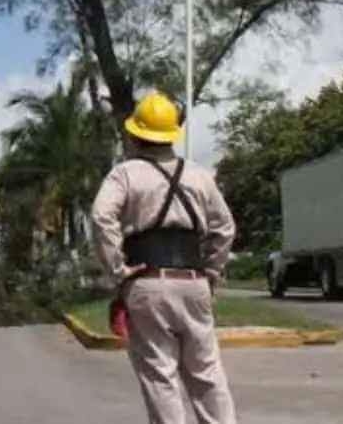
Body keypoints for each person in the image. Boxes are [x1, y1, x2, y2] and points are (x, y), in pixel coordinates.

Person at [90, 91, 238, 424]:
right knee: (207, 372)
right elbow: (224, 228)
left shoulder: (125, 174)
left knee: (161, 375)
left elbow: (102, 218)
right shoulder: (199, 175)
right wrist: (212, 274)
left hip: (148, 281)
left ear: (134, 135)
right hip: (194, 281)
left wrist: (119, 271)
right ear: (172, 134)